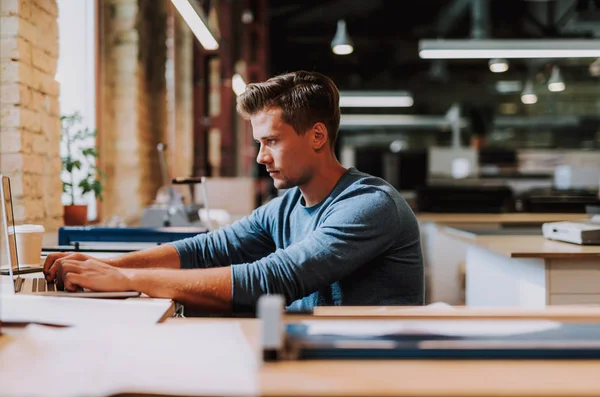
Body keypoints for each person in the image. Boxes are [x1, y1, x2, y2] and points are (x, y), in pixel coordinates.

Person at [44, 70, 424, 313]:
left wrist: (128, 281)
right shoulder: (287, 205)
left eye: (271, 141)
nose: (261, 157)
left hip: (367, 370)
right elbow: (208, 249)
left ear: (317, 136)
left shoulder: (370, 206)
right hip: (315, 352)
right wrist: (105, 266)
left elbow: (273, 279)